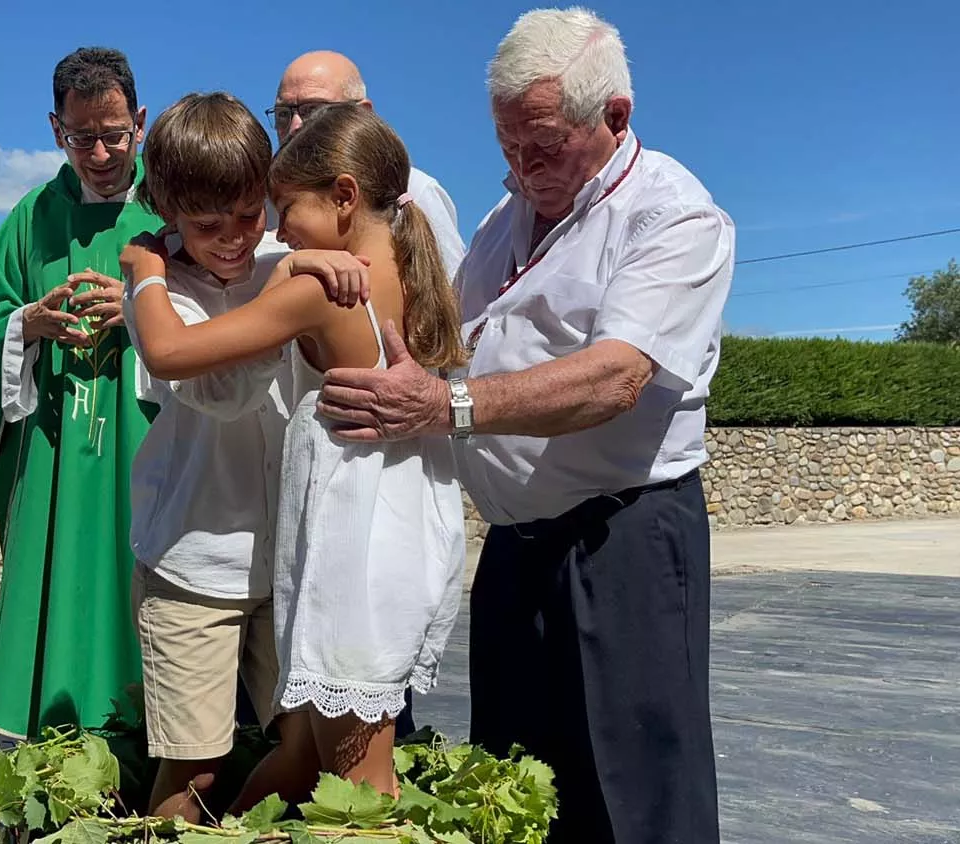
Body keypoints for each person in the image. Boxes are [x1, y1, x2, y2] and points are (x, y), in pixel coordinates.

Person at [314, 9, 732, 842]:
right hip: (517, 551)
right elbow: (448, 342)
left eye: (541, 145)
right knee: (517, 782)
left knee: (638, 787)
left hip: (623, 541)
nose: (521, 166)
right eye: (507, 145)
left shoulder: (674, 216)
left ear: (614, 116)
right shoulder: (504, 222)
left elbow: (618, 376)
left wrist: (448, 407)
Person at [121, 103, 468, 802]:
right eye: (206, 225)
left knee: (325, 764)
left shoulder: (304, 268)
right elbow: (218, 390)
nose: (247, 235)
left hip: (304, 560)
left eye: (258, 212)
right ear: (170, 211)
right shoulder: (179, 290)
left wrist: (288, 272)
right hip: (197, 558)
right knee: (201, 767)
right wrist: (149, 272)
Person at [0, 47, 165, 742]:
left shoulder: (172, 208)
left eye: (115, 133)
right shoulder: (30, 218)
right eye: (83, 138)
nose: (102, 152)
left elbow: (219, 309)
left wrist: (141, 313)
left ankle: (148, 756)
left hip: (146, 442)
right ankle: (47, 748)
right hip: (53, 445)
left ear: (140, 120)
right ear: (57, 130)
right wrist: (29, 323)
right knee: (56, 594)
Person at [261, 51, 467, 284]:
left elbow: (455, 296)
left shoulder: (416, 192)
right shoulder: (260, 202)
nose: (295, 126)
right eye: (283, 114)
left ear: (363, 113)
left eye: (314, 110)